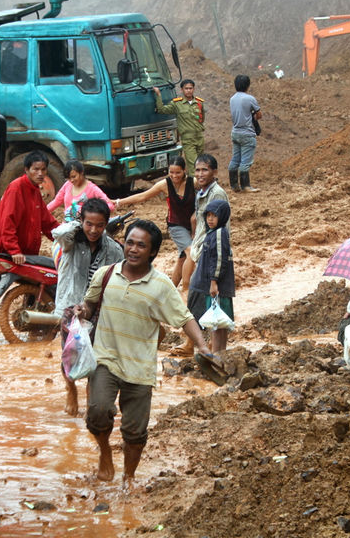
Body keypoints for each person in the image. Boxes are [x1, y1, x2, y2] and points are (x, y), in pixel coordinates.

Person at [72, 219, 213, 486]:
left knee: (135, 432)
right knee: (98, 411)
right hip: (105, 359)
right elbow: (90, 304)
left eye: (141, 245)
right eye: (130, 243)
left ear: (153, 253)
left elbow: (184, 318)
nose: (133, 249)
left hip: (140, 367)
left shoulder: (161, 286)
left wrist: (203, 346)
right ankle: (105, 455)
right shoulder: (105, 274)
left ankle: (129, 477)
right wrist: (82, 311)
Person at [52, 198, 124, 416]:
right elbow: (59, 233)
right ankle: (71, 390)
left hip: (98, 311)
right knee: (69, 354)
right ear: (81, 222)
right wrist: (77, 222)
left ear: (106, 225)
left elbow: (120, 276)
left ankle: (91, 396)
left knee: (97, 356)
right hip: (69, 307)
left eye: (100, 225)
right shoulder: (71, 242)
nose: (94, 230)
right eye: (89, 224)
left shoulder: (112, 248)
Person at [0, 151, 59, 342]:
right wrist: (14, 251)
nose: (40, 173)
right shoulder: (16, 188)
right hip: (2, 251)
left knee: (35, 285)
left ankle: (32, 331)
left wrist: (64, 235)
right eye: (36, 169)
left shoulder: (35, 191)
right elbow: (8, 223)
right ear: (27, 170)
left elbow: (47, 222)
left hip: (25, 254)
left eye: (43, 170)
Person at [174, 153, 228, 356]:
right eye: (197, 170)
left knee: (205, 296)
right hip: (199, 249)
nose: (200, 173)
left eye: (205, 169)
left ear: (214, 172)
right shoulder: (201, 192)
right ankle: (196, 343)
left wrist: (211, 255)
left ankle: (208, 346)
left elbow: (220, 227)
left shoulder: (217, 194)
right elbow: (200, 221)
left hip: (211, 252)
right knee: (197, 296)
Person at [116, 157, 195, 289]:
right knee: (191, 252)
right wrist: (119, 202)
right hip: (176, 225)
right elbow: (143, 196)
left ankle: (171, 290)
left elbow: (208, 189)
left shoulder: (193, 183)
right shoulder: (164, 184)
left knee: (183, 258)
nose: (174, 176)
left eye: (178, 173)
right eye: (171, 172)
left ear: (184, 171)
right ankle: (186, 290)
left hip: (193, 225)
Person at [188, 200, 234, 353]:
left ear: (222, 216)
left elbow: (219, 258)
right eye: (208, 215)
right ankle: (219, 353)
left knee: (217, 322)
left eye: (214, 216)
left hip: (217, 287)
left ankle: (217, 353)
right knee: (218, 322)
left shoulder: (220, 233)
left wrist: (214, 282)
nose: (210, 219)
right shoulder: (212, 233)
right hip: (214, 286)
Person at [153, 79, 205, 175]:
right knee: (193, 165)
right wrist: (158, 95)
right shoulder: (177, 104)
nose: (188, 90)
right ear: (182, 90)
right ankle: (194, 188)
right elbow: (162, 110)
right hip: (188, 139)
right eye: (186, 88)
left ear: (194, 89)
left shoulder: (199, 102)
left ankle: (195, 186)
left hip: (199, 138)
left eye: (190, 88)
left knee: (201, 165)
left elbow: (202, 119)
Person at [48, 159, 115, 223]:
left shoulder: (92, 188)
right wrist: (41, 212)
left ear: (81, 173)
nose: (71, 180)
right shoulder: (67, 185)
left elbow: (110, 206)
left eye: (74, 177)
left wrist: (90, 211)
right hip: (67, 226)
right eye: (68, 178)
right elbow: (56, 202)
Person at [228, 74, 262, 193]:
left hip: (235, 132)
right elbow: (259, 114)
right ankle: (245, 185)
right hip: (247, 133)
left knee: (235, 159)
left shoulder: (232, 99)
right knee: (245, 161)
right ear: (247, 85)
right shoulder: (250, 98)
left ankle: (233, 185)